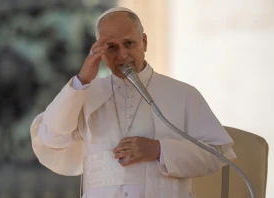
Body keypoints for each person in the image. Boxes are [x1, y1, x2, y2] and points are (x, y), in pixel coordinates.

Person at [30, 7, 236, 198]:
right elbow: (51, 138)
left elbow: (217, 154)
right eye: (111, 47)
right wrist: (82, 80)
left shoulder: (182, 93)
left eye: (129, 43)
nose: (122, 55)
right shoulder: (84, 94)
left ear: (144, 42)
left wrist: (159, 149)